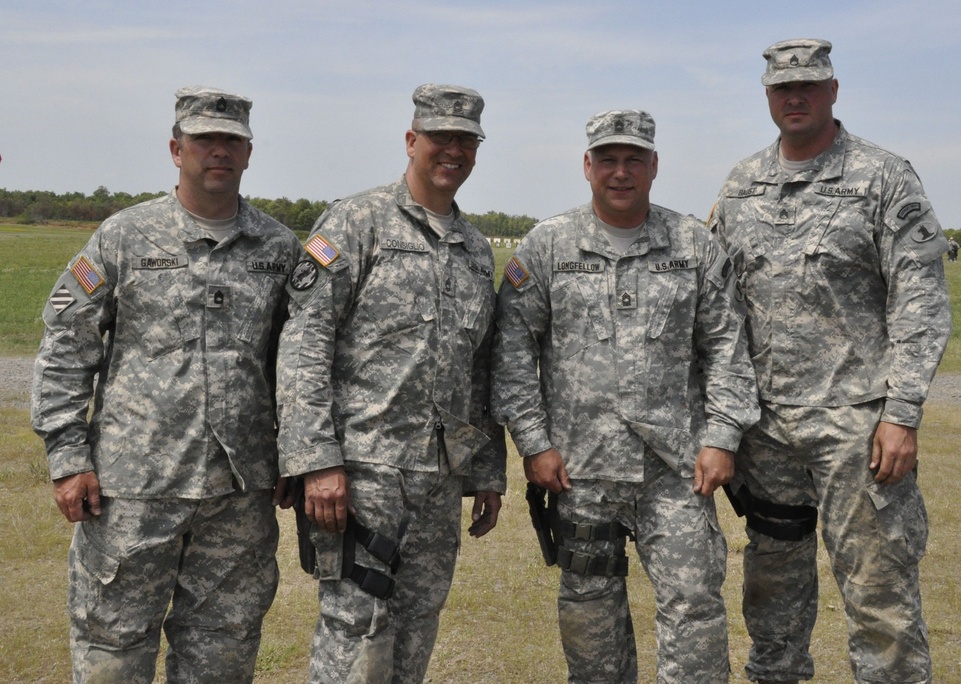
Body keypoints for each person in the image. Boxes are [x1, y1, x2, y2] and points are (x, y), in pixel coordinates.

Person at [30, 86, 304, 682]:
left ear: (249, 153)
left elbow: (300, 364)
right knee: (113, 652)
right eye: (205, 139)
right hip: (132, 490)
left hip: (238, 494)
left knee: (223, 656)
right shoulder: (124, 236)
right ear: (176, 149)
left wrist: (299, 454)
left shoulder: (279, 248)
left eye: (232, 141)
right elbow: (66, 348)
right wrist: (67, 455)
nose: (219, 151)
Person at [708, 39, 952, 684]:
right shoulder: (741, 184)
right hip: (768, 432)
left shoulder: (883, 176)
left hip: (860, 428)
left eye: (809, 86)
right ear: (767, 97)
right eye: (783, 89)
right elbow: (717, 309)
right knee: (772, 594)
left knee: (880, 594)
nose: (796, 97)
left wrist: (901, 413)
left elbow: (920, 300)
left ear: (833, 91)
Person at [493, 110, 759, 683]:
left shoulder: (693, 244)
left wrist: (722, 437)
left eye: (633, 159)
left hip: (678, 469)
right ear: (587, 166)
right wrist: (534, 443)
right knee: (590, 626)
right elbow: (512, 352)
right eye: (608, 159)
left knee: (694, 612)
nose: (620, 172)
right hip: (579, 472)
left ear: (654, 166)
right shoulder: (547, 246)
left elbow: (727, 349)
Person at [275, 83, 506, 683]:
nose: (452, 150)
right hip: (362, 470)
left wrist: (486, 471)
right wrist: (316, 459)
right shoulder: (356, 223)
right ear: (411, 141)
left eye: (465, 140)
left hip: (438, 479)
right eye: (439, 138)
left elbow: (479, 366)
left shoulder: (476, 250)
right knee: (357, 632)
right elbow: (305, 340)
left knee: (416, 629)